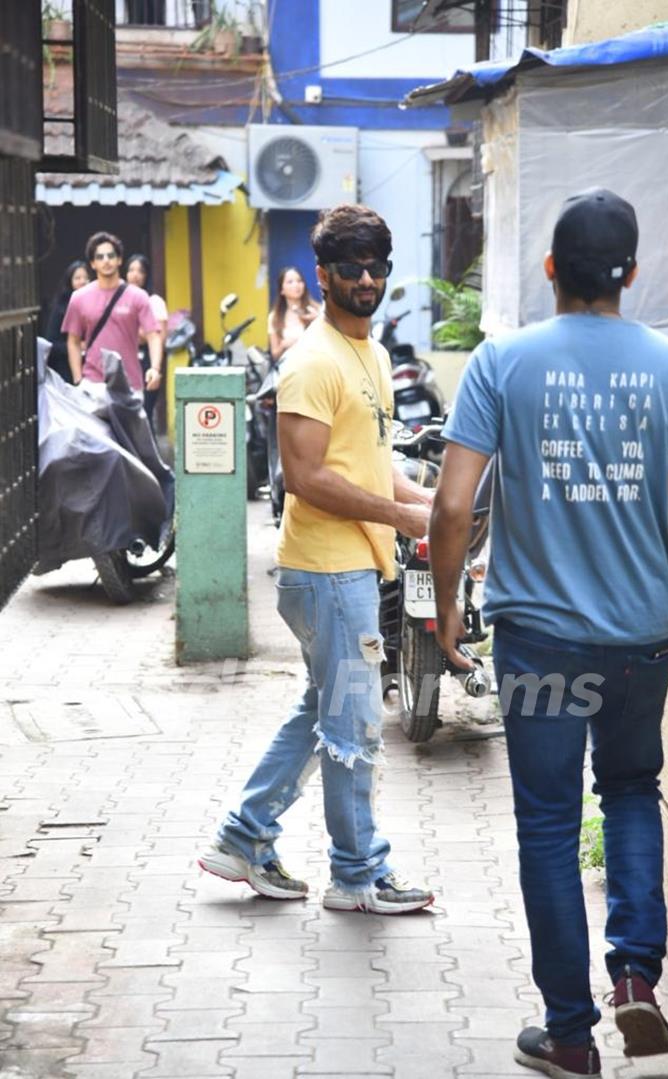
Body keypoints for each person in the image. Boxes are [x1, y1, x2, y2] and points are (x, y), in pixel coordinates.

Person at [429, 189, 668, 1078]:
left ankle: (568, 1033)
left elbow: (449, 503)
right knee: (632, 790)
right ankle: (636, 975)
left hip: (539, 644)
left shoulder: (502, 361)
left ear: (551, 268)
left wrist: (446, 609)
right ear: (630, 274)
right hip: (638, 640)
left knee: (550, 827)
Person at [199, 204, 435, 914]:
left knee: (321, 711)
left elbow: (367, 460)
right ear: (321, 275)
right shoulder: (309, 361)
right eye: (350, 268)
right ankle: (358, 874)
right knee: (353, 724)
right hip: (327, 570)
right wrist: (399, 516)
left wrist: (431, 500)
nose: (366, 279)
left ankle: (243, 838)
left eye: (376, 267)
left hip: (351, 568)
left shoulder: (374, 354)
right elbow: (306, 475)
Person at [63, 232, 161, 398]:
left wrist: (155, 368)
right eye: (100, 257)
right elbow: (73, 341)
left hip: (130, 383)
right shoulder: (79, 298)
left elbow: (153, 335)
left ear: (119, 260)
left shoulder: (138, 296)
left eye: (111, 255)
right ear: (93, 264)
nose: (106, 260)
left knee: (130, 425)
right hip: (92, 384)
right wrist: (78, 379)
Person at [125, 253, 168, 427]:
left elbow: (159, 337)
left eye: (140, 271)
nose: (135, 275)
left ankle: (149, 454)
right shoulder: (120, 300)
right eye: (131, 270)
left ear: (146, 276)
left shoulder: (154, 302)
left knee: (145, 414)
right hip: (126, 361)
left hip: (147, 362)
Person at [43, 260, 90, 383]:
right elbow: (51, 343)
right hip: (65, 368)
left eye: (86, 278)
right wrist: (77, 347)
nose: (82, 282)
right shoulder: (60, 308)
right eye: (77, 278)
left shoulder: (95, 304)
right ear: (70, 281)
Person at [267, 266, 320, 362]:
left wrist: (318, 319)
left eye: (299, 281)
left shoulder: (316, 310)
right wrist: (284, 345)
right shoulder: (275, 317)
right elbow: (274, 354)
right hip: (288, 368)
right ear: (281, 290)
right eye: (290, 282)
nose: (296, 285)